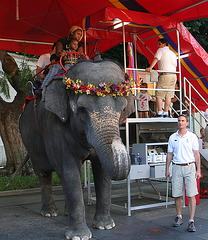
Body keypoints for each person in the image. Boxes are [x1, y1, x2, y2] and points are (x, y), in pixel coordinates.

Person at [166, 114, 201, 232]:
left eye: (183, 121)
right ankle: (179, 216)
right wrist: (167, 169)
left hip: (190, 167)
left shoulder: (192, 137)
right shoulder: (172, 137)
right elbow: (169, 154)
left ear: (187, 123)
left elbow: (196, 154)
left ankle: (191, 220)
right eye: (179, 121)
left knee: (191, 195)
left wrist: (198, 169)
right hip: (176, 167)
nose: (180, 123)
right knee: (177, 194)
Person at [146, 38, 177, 118]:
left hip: (165, 75)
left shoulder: (161, 50)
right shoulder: (173, 53)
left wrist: (150, 67)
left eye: (159, 44)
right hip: (174, 75)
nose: (158, 46)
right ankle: (166, 113)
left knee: (159, 94)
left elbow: (156, 58)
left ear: (164, 44)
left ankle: (160, 112)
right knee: (168, 95)